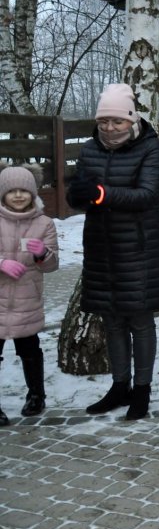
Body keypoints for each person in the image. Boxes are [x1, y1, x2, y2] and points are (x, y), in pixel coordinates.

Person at [68, 83, 159, 420]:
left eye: (118, 122)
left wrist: (101, 194)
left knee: (139, 320)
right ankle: (119, 386)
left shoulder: (150, 149)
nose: (110, 128)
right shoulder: (88, 149)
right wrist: (78, 195)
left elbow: (146, 195)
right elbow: (81, 195)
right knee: (111, 320)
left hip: (139, 247)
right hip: (101, 246)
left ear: (132, 120)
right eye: (104, 121)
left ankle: (142, 390)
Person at [0, 164, 59, 425]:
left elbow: (52, 265)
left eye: (24, 190)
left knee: (30, 351)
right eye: (11, 191)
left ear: (33, 193)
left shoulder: (44, 224)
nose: (18, 196)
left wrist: (42, 254)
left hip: (27, 299)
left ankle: (36, 395)